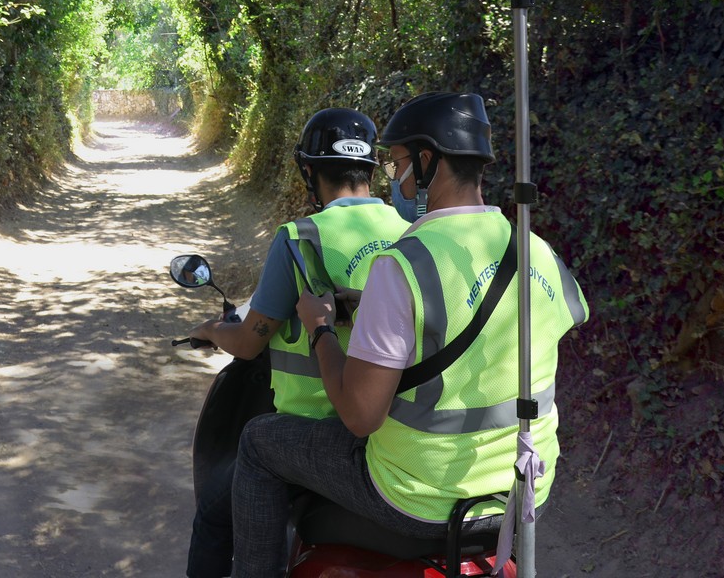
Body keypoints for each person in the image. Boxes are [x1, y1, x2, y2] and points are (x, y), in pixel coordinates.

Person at [229, 92, 589, 577]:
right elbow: (548, 316)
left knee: (257, 442)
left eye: (398, 163)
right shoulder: (536, 251)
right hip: (523, 489)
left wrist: (320, 329)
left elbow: (359, 416)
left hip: (416, 495)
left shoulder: (405, 265)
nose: (395, 178)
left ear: (425, 162)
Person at [183, 107, 412, 578]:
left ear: (309, 171)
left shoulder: (300, 239)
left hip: (315, 427)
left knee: (214, 509)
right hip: (393, 429)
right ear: (371, 169)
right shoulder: (411, 232)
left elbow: (248, 342)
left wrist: (210, 330)